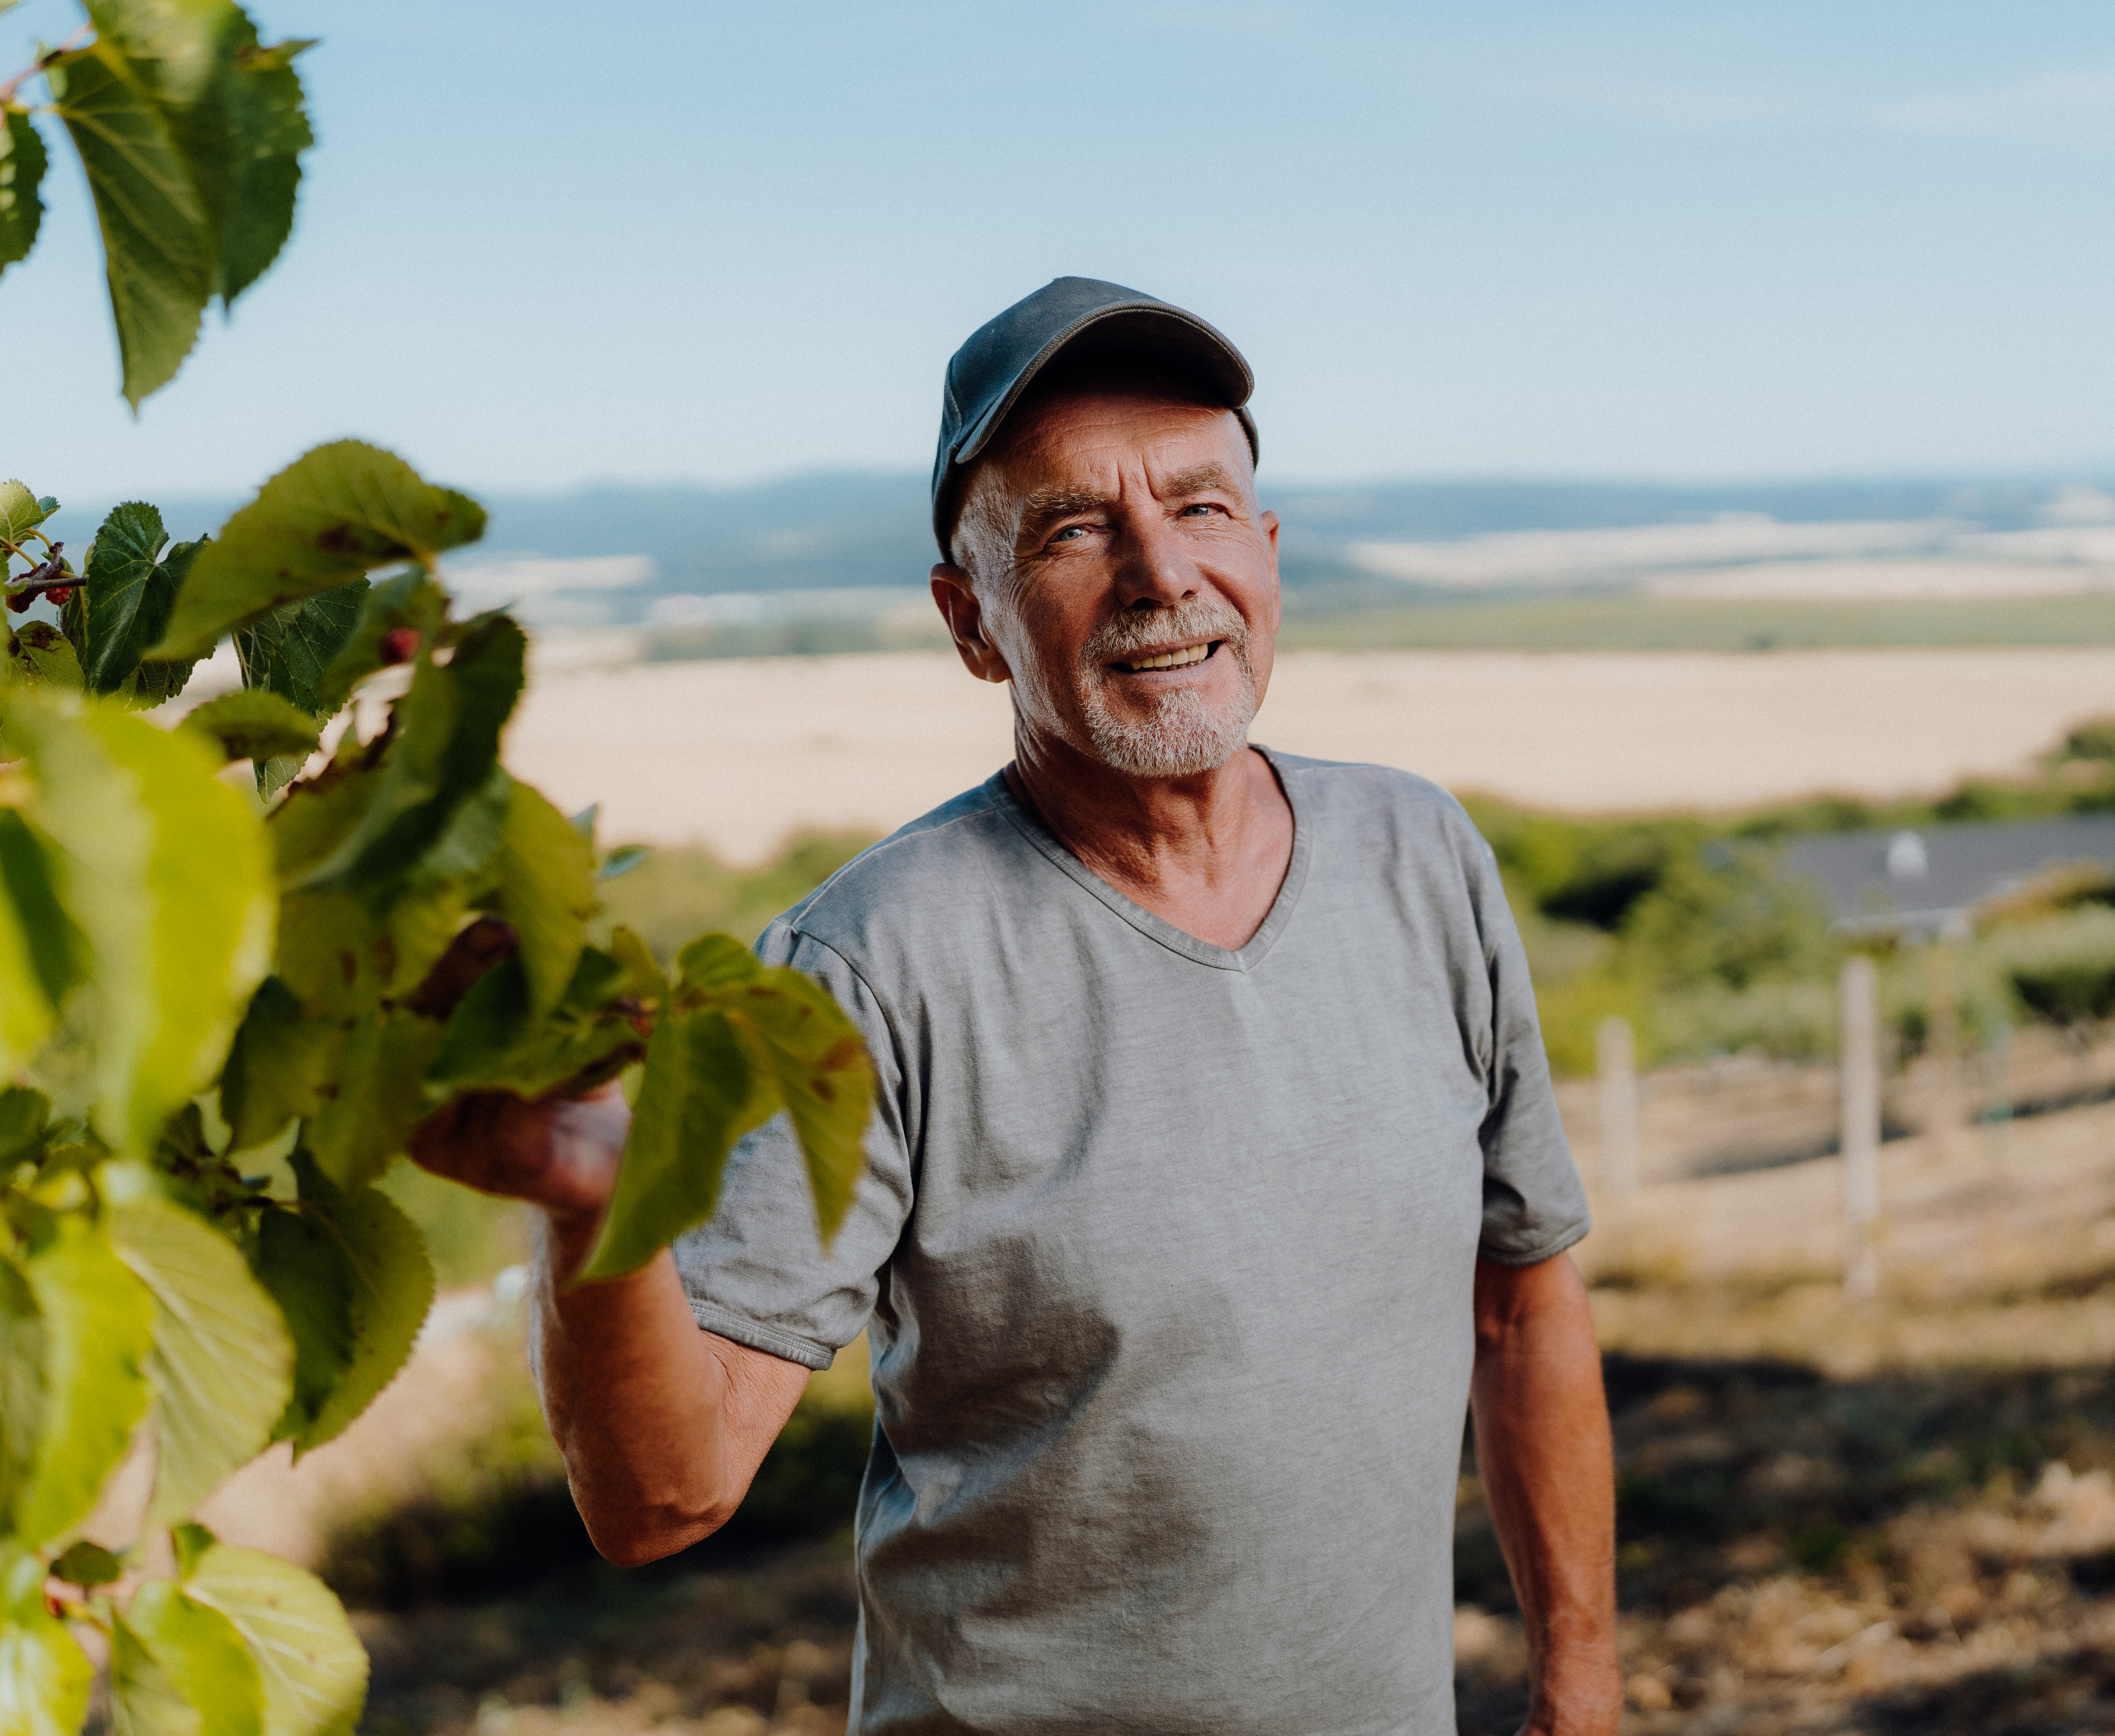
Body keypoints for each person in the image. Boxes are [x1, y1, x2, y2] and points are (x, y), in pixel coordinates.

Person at [413, 277, 1621, 1736]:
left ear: (1270, 553)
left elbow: (1522, 1302)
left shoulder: (1422, 857)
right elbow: (663, 1500)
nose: (1160, 574)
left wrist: (1581, 1680)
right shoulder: (869, 966)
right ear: (971, 621)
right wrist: (589, 1203)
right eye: (1071, 529)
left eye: (1201, 509)